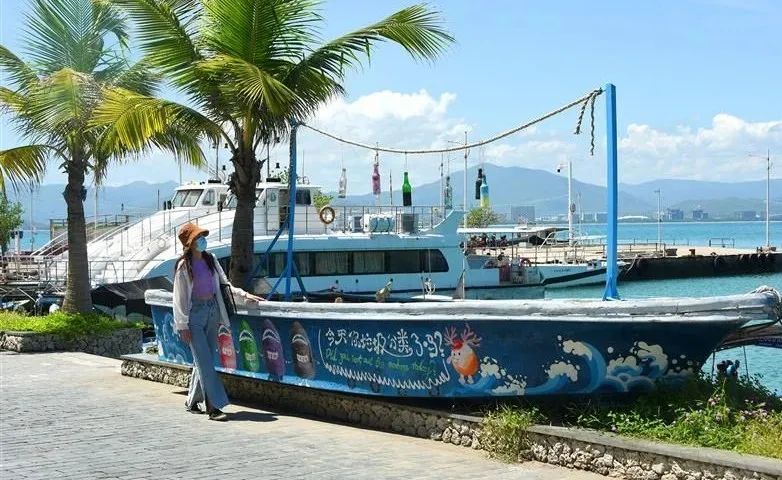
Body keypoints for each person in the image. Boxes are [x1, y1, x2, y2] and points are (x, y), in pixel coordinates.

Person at [173, 223, 265, 421]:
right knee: (205, 362)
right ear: (190, 243)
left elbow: (224, 285)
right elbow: (179, 298)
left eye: (202, 237)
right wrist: (182, 325)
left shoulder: (211, 260)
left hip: (213, 311)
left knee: (204, 360)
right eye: (198, 238)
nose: (202, 241)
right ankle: (213, 407)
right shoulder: (184, 266)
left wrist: (244, 295)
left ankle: (192, 401)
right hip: (194, 316)